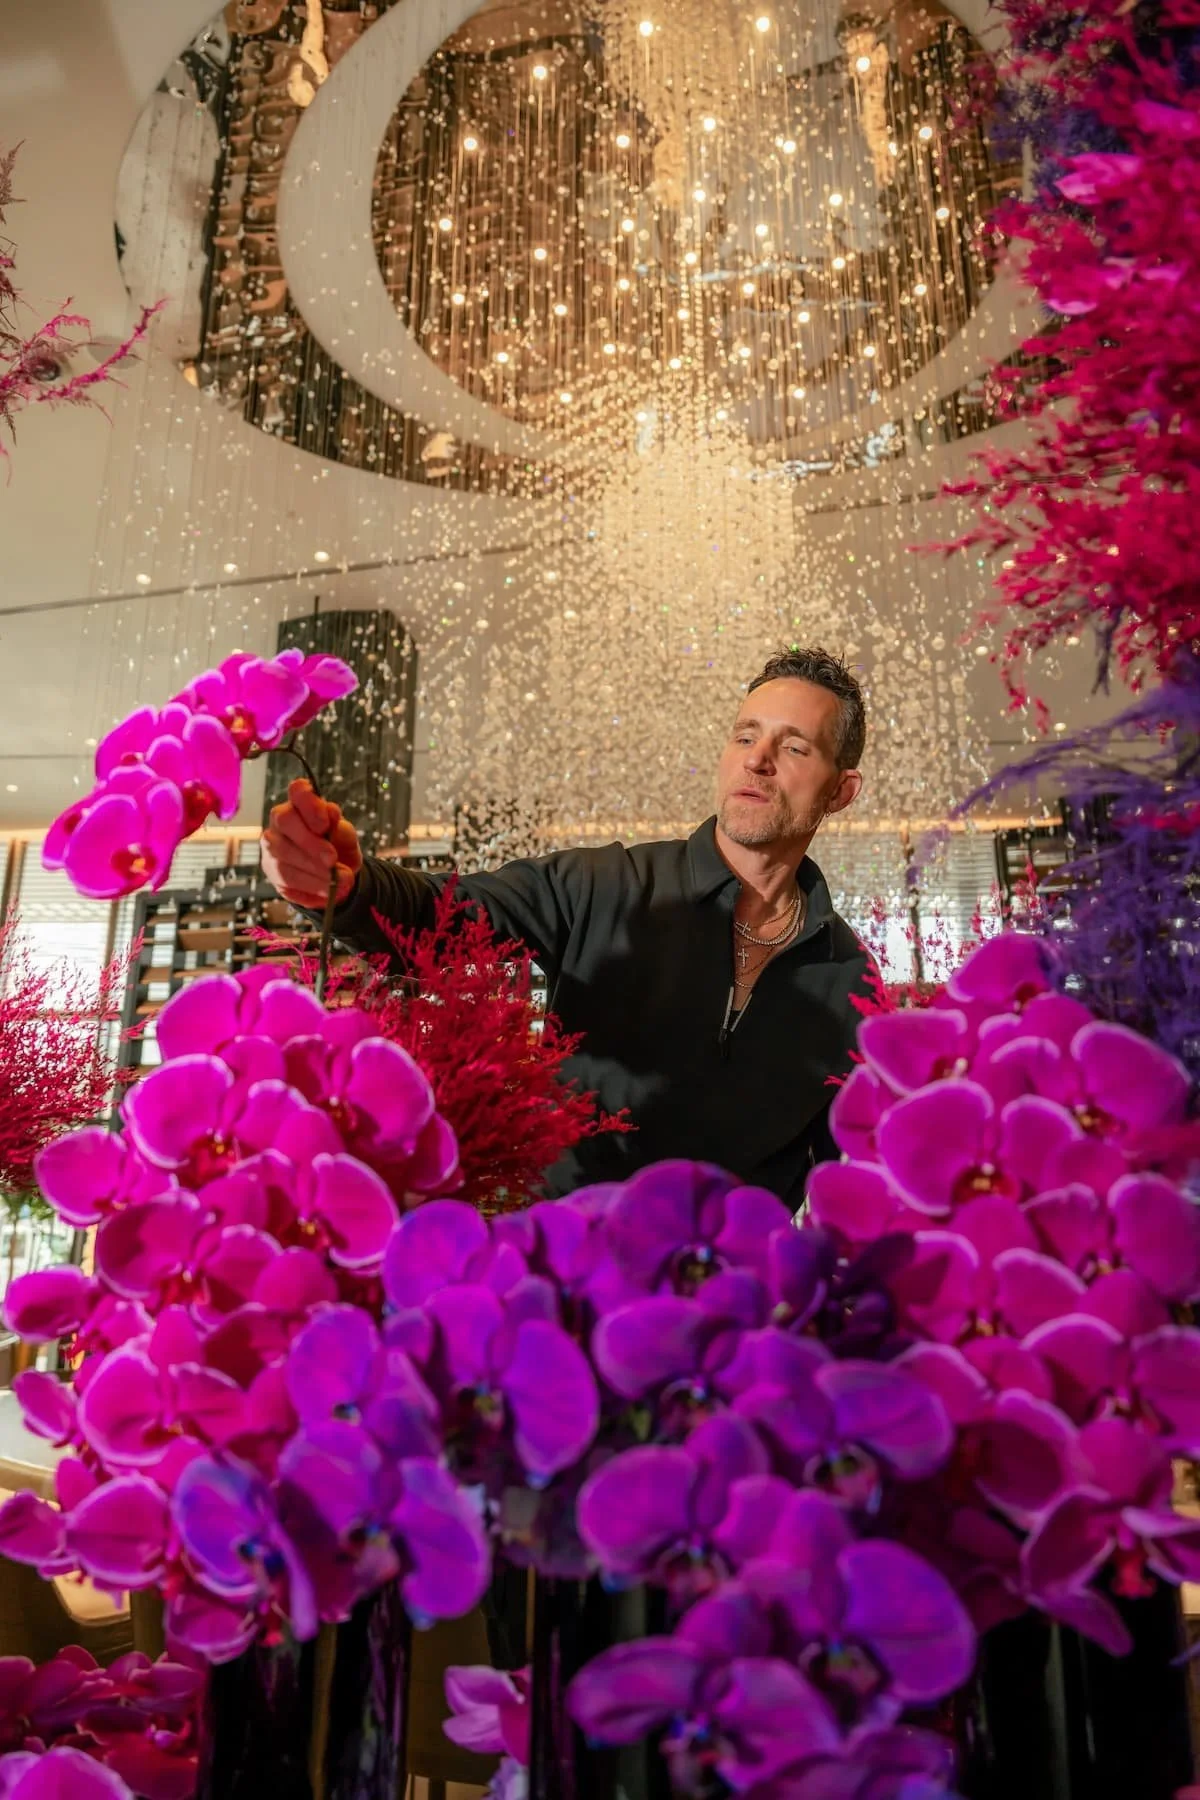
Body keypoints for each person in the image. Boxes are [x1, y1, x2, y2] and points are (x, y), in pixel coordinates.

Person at [261, 644, 873, 1208]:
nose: (757, 760)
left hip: (736, 1308)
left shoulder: (851, 977)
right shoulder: (601, 886)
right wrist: (349, 885)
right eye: (745, 736)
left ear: (841, 790)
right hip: (565, 1288)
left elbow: (852, 1175)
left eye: (794, 747)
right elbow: (441, 919)